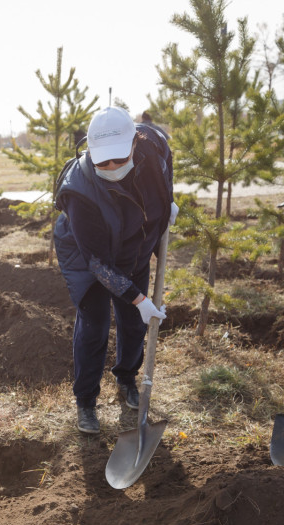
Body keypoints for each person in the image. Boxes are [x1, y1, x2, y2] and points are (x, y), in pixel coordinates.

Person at [53, 107, 176, 435]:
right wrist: (139, 298)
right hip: (86, 253)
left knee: (135, 324)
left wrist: (168, 204)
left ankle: (126, 379)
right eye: (101, 161)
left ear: (135, 144)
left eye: (118, 159)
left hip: (134, 242)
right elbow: (97, 262)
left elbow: (166, 176)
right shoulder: (78, 189)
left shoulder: (155, 146)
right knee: (94, 325)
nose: (110, 167)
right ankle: (86, 402)